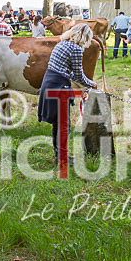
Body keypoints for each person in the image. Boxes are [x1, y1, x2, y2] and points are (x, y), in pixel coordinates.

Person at [37, 24, 97, 163]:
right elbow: (78, 75)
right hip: (59, 86)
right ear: (86, 37)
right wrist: (91, 83)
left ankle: (60, 155)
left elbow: (67, 71)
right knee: (64, 125)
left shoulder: (62, 44)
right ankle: (62, 157)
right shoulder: (76, 49)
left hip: (49, 82)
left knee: (58, 124)